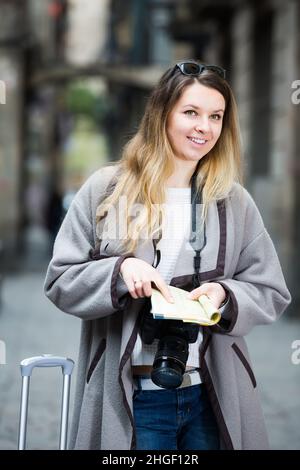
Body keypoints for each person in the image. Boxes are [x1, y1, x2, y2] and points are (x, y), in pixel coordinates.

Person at [44, 60, 291, 450]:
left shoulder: (234, 200)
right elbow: (60, 280)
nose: (204, 127)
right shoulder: (106, 189)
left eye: (216, 116)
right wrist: (122, 270)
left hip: (211, 394)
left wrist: (223, 295)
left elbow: (271, 290)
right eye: (191, 112)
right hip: (130, 395)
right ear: (162, 114)